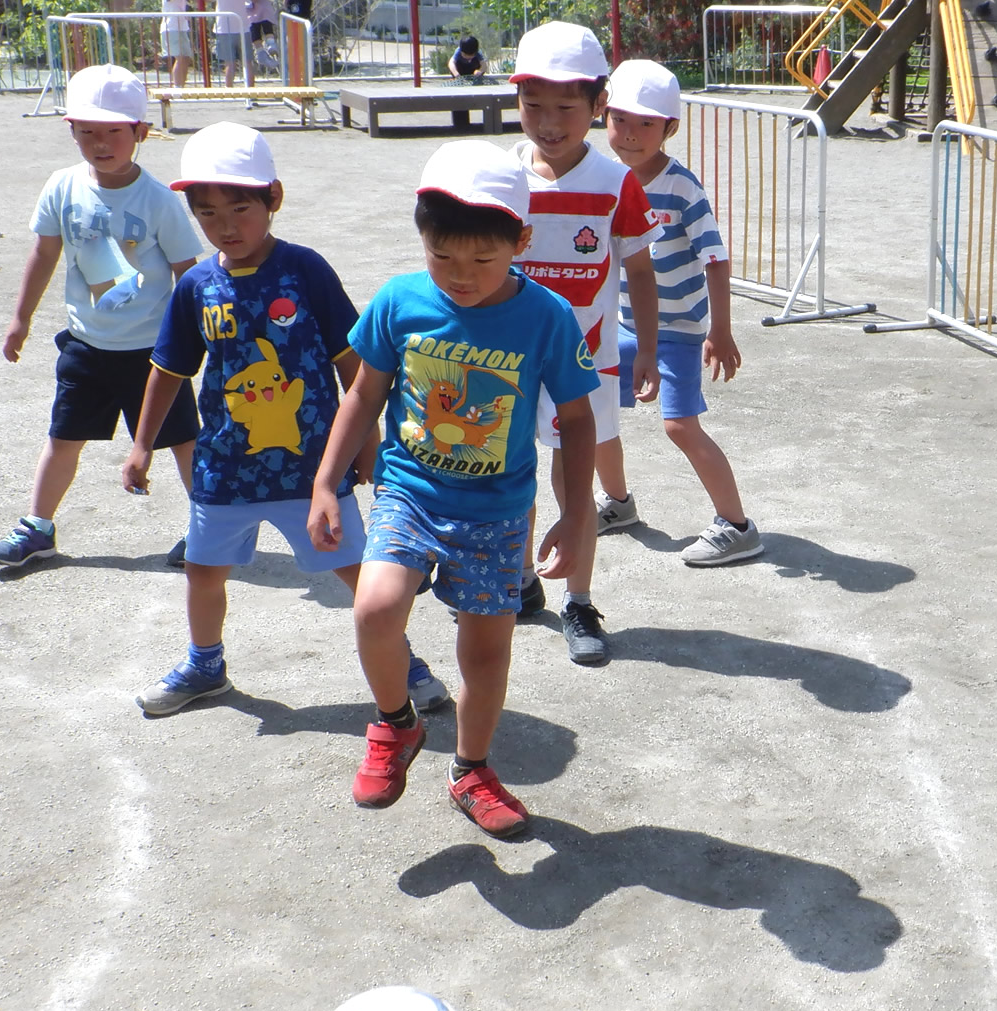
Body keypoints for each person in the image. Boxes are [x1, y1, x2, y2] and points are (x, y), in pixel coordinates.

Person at [306, 142, 598, 837]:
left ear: (521, 241)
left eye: (482, 260)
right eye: (444, 257)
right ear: (422, 236)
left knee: (486, 651)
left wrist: (575, 512)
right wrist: (326, 480)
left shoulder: (547, 316)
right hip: (409, 491)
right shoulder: (398, 300)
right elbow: (363, 395)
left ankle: (471, 768)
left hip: (498, 512)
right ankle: (395, 724)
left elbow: (579, 417)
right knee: (375, 608)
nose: (460, 276)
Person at [120, 122, 451, 718]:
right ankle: (205, 665)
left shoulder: (305, 271)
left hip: (311, 473)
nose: (225, 224)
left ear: (273, 197)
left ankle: (405, 662)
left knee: (359, 576)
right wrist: (142, 444)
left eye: (240, 207)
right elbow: (169, 369)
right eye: (207, 211)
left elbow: (356, 366)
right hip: (224, 469)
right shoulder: (196, 285)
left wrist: (369, 449)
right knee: (202, 572)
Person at [0, 64, 202, 571]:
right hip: (86, 345)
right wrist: (22, 318)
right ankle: (37, 528)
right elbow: (43, 255)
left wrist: (195, 338)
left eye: (113, 132)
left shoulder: (158, 200)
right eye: (87, 132)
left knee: (183, 443)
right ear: (71, 131)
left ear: (140, 133)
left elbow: (186, 272)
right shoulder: (62, 187)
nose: (100, 143)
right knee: (63, 437)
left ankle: (207, 529)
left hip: (154, 353)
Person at [503, 20, 662, 663]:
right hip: (509, 364)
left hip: (589, 365)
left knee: (576, 484)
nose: (548, 121)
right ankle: (519, 581)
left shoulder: (615, 182)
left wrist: (645, 348)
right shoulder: (503, 176)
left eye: (566, 106)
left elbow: (641, 272)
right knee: (513, 477)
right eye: (532, 104)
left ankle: (579, 599)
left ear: (598, 105)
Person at [597, 59, 762, 566]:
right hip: (623, 322)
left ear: (669, 128)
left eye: (646, 123)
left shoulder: (682, 187)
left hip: (680, 329)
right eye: (620, 119)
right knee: (594, 408)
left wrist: (721, 329)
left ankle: (737, 526)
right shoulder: (602, 179)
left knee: (679, 425)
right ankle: (619, 504)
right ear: (603, 114)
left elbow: (715, 257)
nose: (630, 134)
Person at [158, 0, 192, 88]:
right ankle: (177, 87)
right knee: (180, 57)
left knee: (185, 58)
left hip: (182, 28)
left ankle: (182, 87)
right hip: (171, 28)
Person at [213, 0, 246, 88]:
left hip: (224, 27)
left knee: (229, 63)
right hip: (243, 26)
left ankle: (229, 89)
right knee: (247, 62)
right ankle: (251, 93)